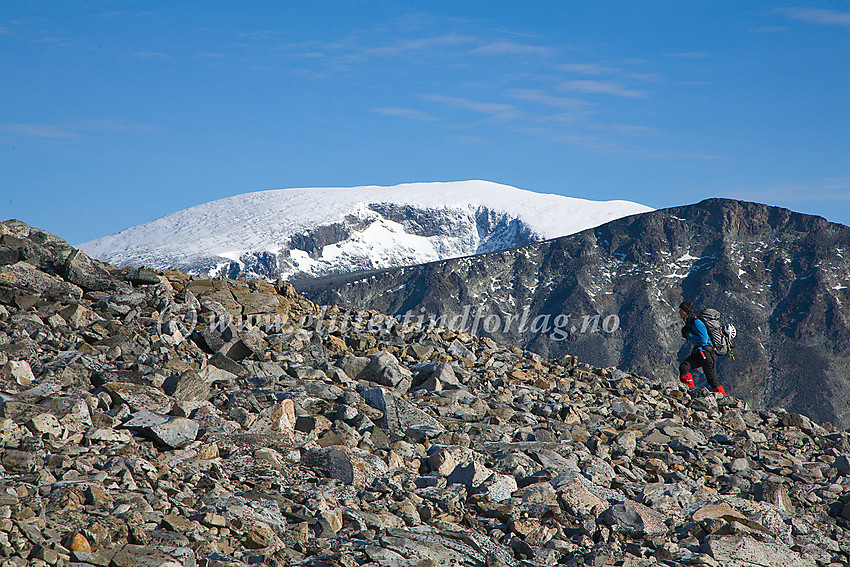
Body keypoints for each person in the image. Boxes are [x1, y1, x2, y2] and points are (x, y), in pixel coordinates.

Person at [678, 300, 725, 395]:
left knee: (712, 381)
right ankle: (690, 392)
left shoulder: (697, 322)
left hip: (707, 354)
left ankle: (723, 400)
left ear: (686, 311)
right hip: (700, 353)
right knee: (684, 367)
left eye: (681, 310)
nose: (679, 312)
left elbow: (703, 339)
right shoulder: (691, 322)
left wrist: (689, 335)